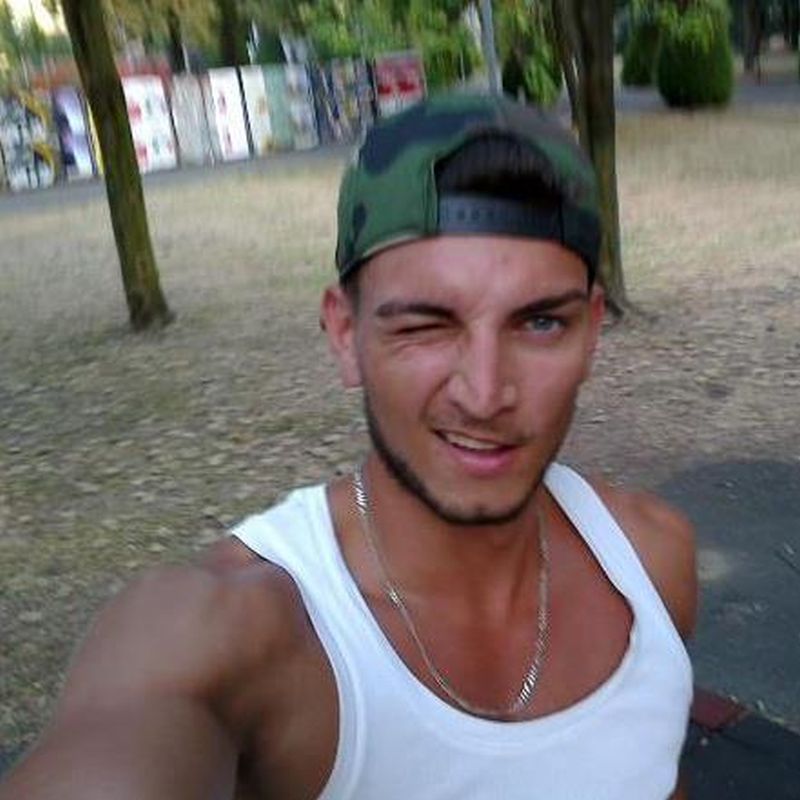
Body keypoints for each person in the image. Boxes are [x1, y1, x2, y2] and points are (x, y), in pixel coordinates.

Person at [1, 91, 697, 800]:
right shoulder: (237, 633)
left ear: (592, 331)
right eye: (424, 326)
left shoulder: (651, 564)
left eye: (541, 323)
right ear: (344, 335)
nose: (485, 394)